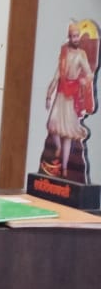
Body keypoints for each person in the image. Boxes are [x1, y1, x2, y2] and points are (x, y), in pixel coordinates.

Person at [42, 20, 97, 181]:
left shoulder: (81, 55)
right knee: (52, 126)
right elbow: (56, 76)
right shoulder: (64, 53)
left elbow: (89, 74)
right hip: (60, 95)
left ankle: (64, 168)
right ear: (69, 37)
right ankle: (58, 148)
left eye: (77, 36)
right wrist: (48, 95)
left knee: (68, 134)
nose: (75, 38)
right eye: (73, 36)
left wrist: (84, 80)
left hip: (72, 97)